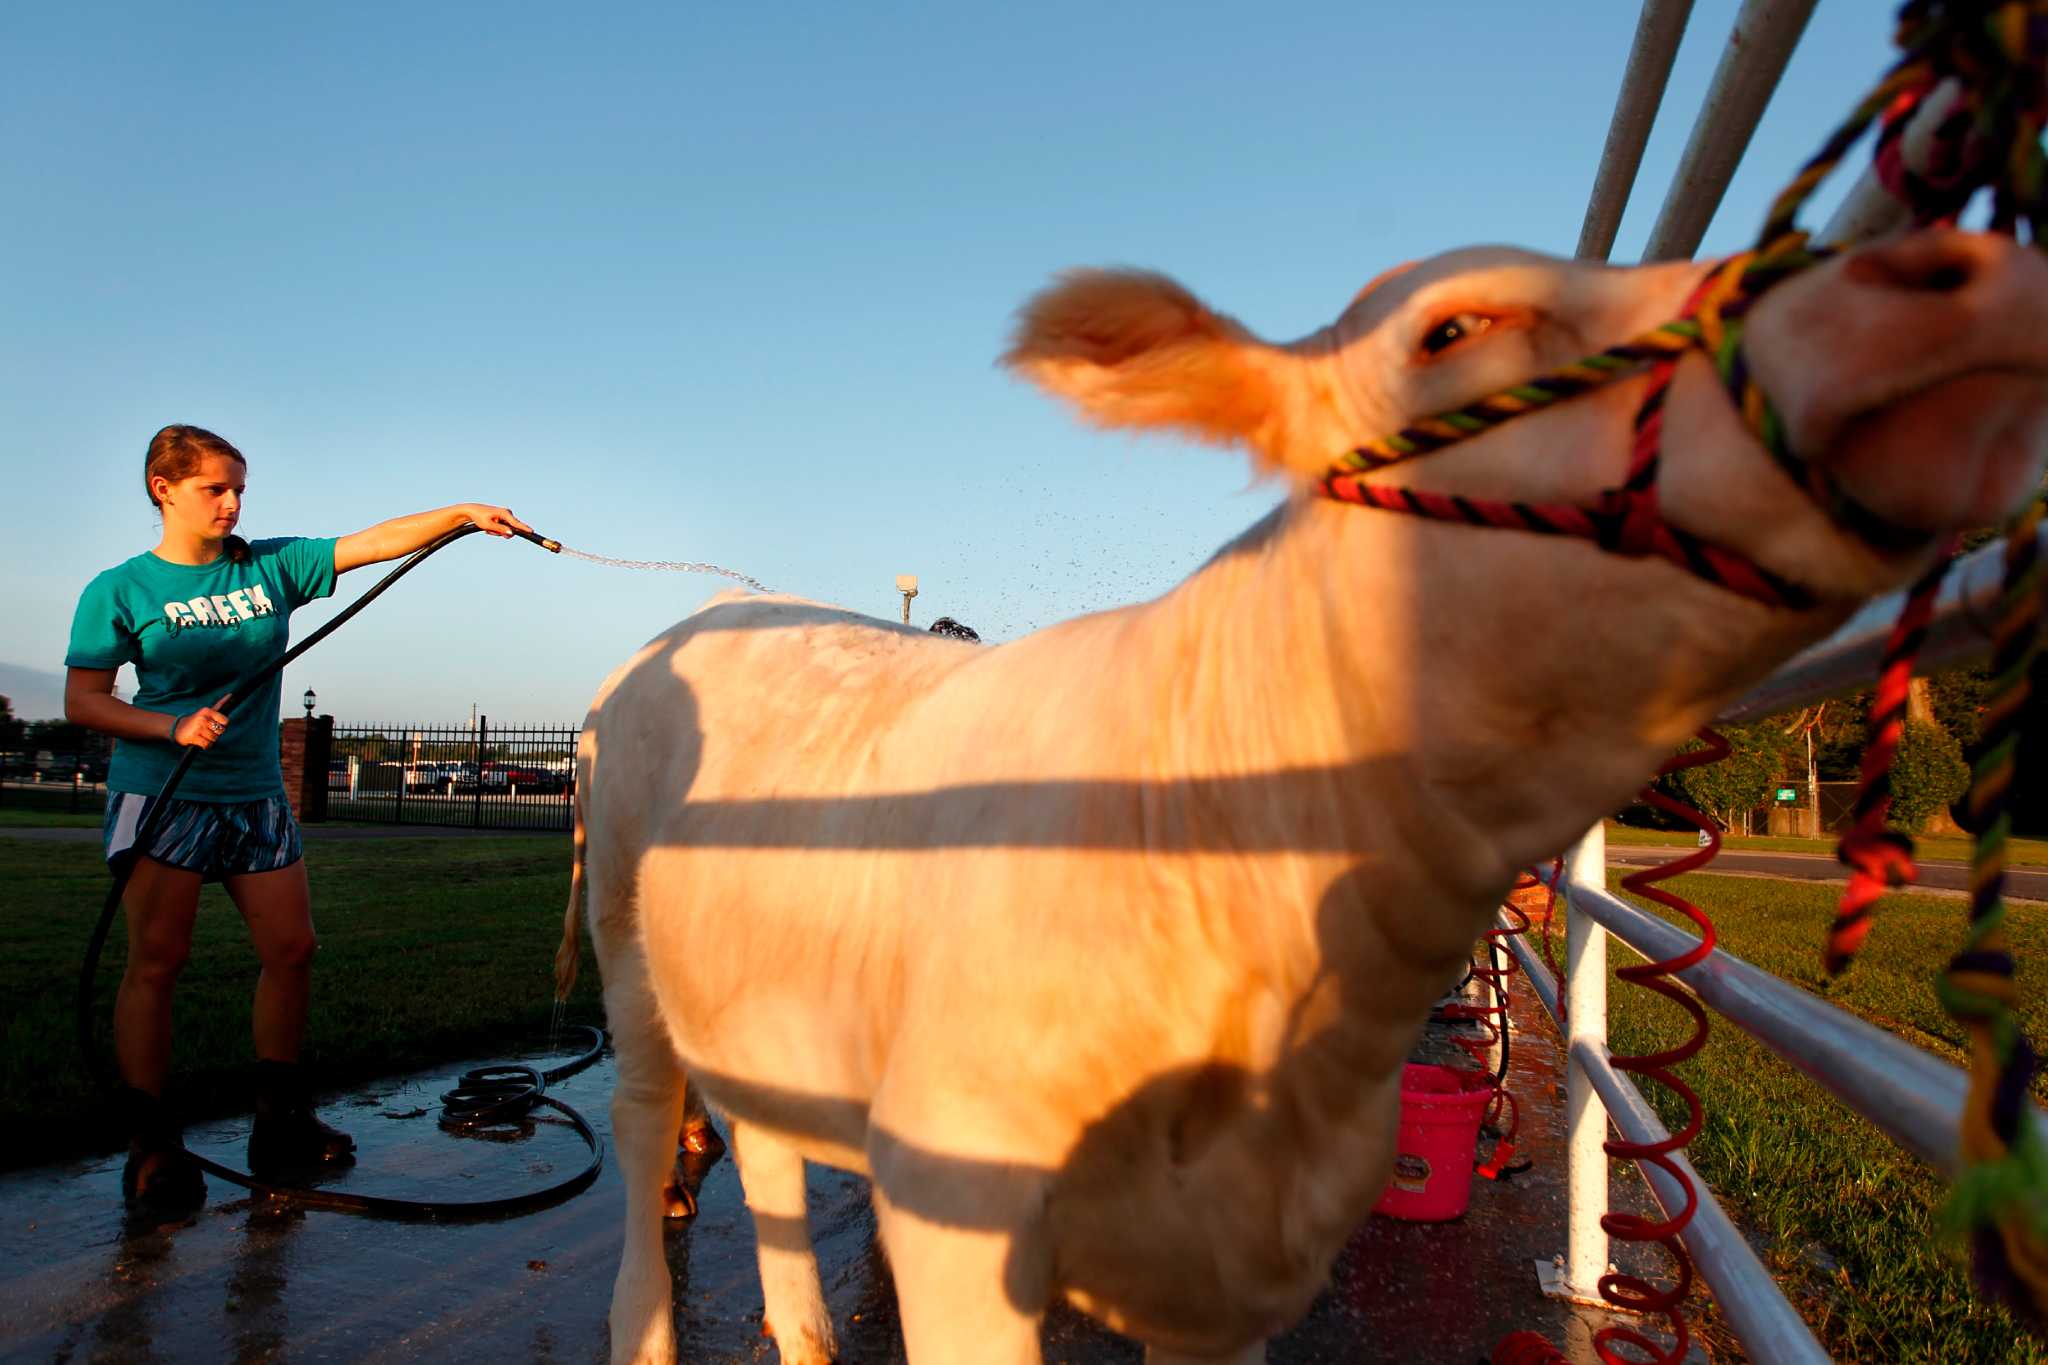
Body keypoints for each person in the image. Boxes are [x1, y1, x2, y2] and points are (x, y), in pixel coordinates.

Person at [64, 424, 534, 1210]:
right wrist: (170, 726)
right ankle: (152, 1145)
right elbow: (85, 700)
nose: (233, 502)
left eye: (240, 487)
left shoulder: (268, 564)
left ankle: (278, 1121)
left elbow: (371, 542)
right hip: (165, 789)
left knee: (293, 947)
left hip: (255, 796)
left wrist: (461, 513)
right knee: (159, 959)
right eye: (216, 488)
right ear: (164, 489)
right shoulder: (120, 589)